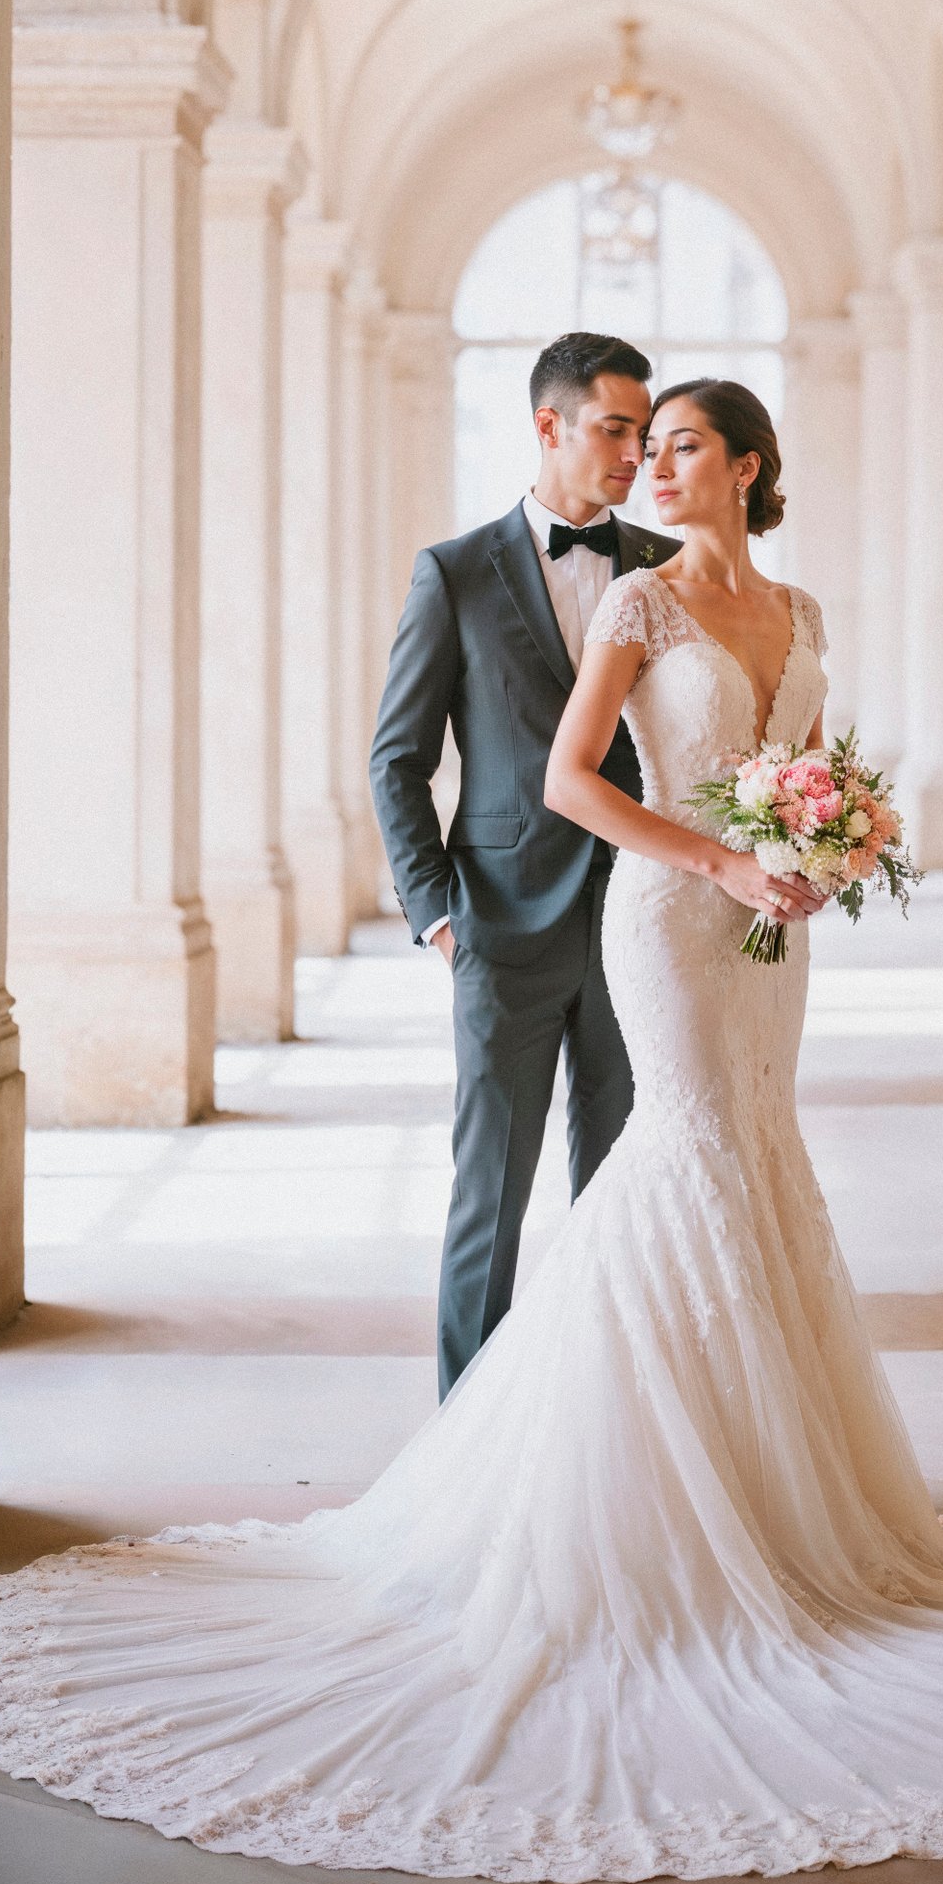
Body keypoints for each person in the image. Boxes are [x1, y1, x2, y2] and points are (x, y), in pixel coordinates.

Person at [0, 379, 943, 1884]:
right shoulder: (638, 609)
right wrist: (724, 854)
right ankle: (607, 1504)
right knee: (682, 1156)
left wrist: (827, 847)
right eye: (640, 445)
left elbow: (823, 774)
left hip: (774, 929)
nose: (653, 465)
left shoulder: (804, 607)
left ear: (748, 466)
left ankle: (784, 1505)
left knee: (763, 1161)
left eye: (681, 446)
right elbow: (566, 779)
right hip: (670, 913)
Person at [369, 330, 677, 1395]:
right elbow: (398, 758)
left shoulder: (664, 570)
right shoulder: (453, 573)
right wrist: (438, 912)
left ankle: (602, 1427)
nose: (635, 452)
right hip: (498, 925)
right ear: (548, 426)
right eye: (614, 429)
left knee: (623, 1188)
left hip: (641, 921)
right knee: (488, 1194)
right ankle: (463, 1435)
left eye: (642, 431)